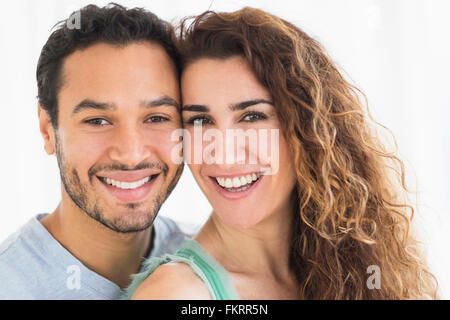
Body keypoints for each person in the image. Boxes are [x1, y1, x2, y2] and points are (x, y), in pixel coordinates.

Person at [127, 7, 438, 300]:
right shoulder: (178, 293)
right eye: (199, 120)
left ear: (307, 127)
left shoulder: (343, 267)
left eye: (252, 117)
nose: (223, 154)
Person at [0, 4, 192, 299]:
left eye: (156, 118)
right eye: (97, 121)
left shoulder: (220, 261)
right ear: (47, 129)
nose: (131, 155)